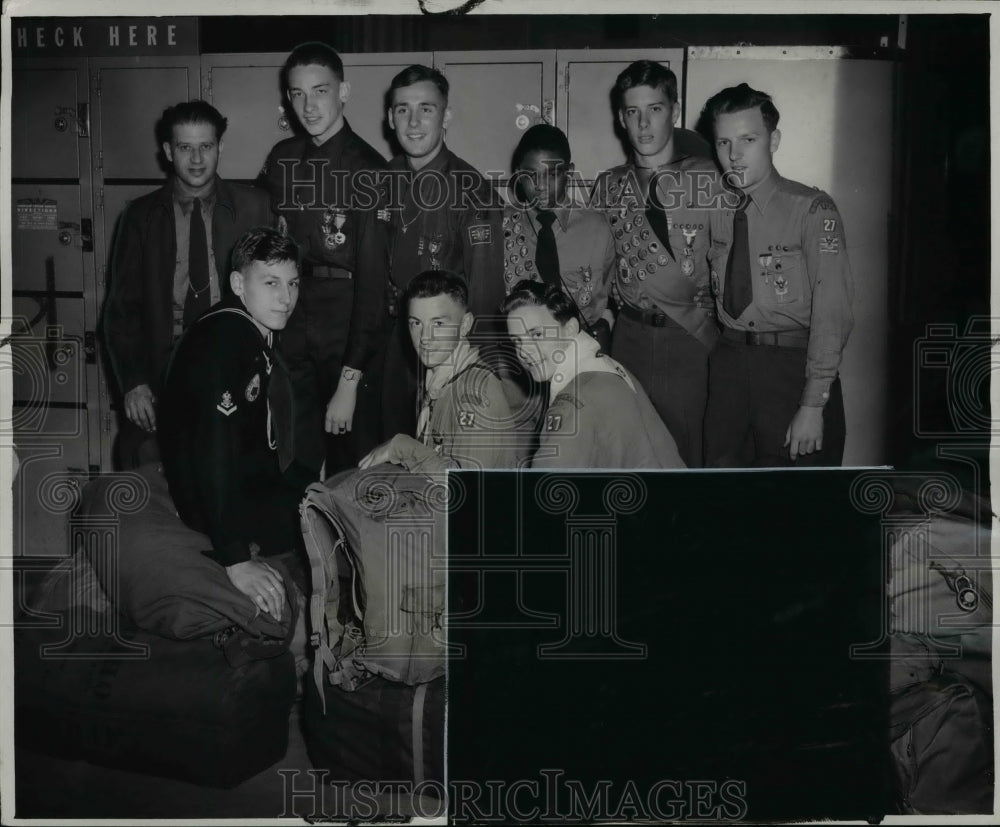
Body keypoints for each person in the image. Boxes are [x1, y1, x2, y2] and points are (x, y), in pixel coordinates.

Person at [103, 100, 272, 470]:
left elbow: (277, 298)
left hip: (231, 365)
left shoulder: (254, 208)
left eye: (206, 146)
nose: (196, 159)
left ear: (220, 147)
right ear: (167, 151)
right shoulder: (140, 216)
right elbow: (122, 310)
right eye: (184, 147)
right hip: (163, 370)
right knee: (144, 468)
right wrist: (134, 383)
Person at [700, 83, 853, 467]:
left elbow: (832, 316)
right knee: (724, 499)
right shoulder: (717, 211)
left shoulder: (812, 210)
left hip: (790, 369)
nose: (733, 156)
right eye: (722, 143)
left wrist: (813, 404)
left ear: (774, 139)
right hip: (730, 366)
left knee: (794, 506)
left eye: (747, 139)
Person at [158, 227, 306, 620]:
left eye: (292, 283)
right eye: (271, 282)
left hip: (248, 477)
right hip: (212, 499)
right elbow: (214, 449)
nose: (286, 298)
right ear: (238, 283)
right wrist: (235, 558)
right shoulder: (225, 341)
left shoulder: (252, 325)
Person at [257, 42, 389, 476]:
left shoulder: (369, 169)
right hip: (290, 313)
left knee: (349, 457)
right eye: (297, 93)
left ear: (343, 91)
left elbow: (372, 282)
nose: (308, 106)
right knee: (290, 448)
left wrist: (351, 377)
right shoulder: (281, 160)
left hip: (345, 318)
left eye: (320, 91)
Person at [591, 61, 724, 467]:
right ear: (621, 118)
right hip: (629, 337)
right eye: (633, 112)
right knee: (633, 454)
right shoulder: (610, 185)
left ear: (675, 111)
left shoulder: (710, 179)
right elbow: (596, 264)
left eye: (656, 109)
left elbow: (737, 256)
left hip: (689, 338)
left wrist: (719, 299)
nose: (644, 124)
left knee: (690, 453)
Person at [375, 64, 506, 440]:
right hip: (394, 347)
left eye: (426, 109)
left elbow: (485, 297)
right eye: (403, 109)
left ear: (446, 115)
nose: (413, 122)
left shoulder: (472, 192)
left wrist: (471, 374)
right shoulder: (382, 181)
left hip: (448, 352)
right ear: (390, 117)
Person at [502, 280, 685, 469]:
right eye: (517, 341)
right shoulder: (608, 365)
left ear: (570, 329)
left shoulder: (572, 403)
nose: (524, 351)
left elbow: (545, 489)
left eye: (536, 335)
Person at [360, 270, 527, 473]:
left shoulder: (474, 393)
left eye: (438, 323)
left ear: (465, 325)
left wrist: (402, 447)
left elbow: (466, 488)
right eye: (416, 323)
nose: (424, 338)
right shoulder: (439, 379)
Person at [504, 124, 616, 352]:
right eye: (530, 175)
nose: (541, 187)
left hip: (580, 350)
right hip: (521, 353)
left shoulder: (597, 228)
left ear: (570, 172)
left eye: (552, 174)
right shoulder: (504, 227)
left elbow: (610, 294)